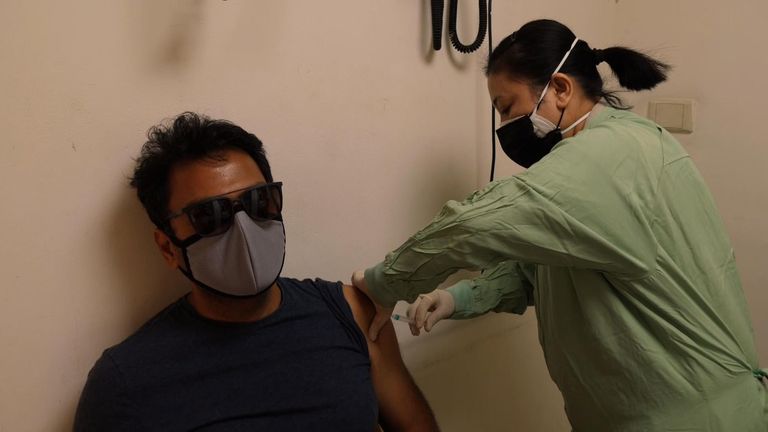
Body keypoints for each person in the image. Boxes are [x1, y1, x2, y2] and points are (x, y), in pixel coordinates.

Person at [352, 19, 767, 431]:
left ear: (561, 89)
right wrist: (457, 299)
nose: (505, 128)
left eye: (508, 108)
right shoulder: (601, 164)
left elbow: (474, 225)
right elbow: (545, 270)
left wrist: (383, 284)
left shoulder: (613, 154)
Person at [74, 112, 439, 431]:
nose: (244, 229)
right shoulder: (126, 383)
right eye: (210, 216)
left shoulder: (353, 314)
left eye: (259, 202)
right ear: (169, 247)